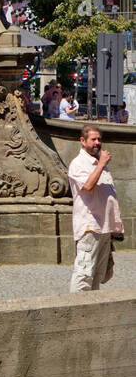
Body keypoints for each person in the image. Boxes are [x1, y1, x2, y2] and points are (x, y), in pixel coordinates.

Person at [68, 125, 124, 292]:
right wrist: (101, 164)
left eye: (99, 139)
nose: (97, 142)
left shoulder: (99, 162)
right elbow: (88, 185)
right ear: (83, 141)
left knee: (97, 276)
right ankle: (77, 311)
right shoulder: (79, 163)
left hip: (104, 227)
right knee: (84, 274)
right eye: (93, 139)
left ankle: (91, 310)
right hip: (89, 226)